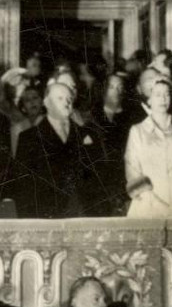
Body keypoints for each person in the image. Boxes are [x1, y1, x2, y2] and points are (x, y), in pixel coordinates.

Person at [12, 77, 104, 218]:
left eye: (69, 98)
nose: (67, 103)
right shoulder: (29, 138)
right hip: (46, 217)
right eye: (60, 98)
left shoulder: (86, 134)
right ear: (46, 103)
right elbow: (23, 187)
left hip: (82, 215)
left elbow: (97, 179)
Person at [124, 75, 172, 218]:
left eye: (167, 94)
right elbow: (133, 173)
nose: (163, 99)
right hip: (146, 208)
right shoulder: (137, 131)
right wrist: (159, 207)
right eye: (157, 94)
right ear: (149, 99)